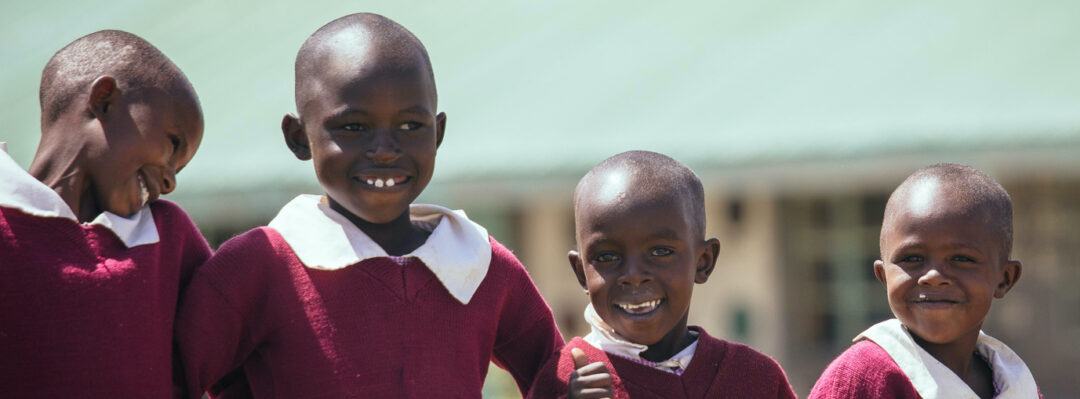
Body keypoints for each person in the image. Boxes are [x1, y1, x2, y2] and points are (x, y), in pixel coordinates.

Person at [175, 13, 563, 398]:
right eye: (353, 127)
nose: (384, 150)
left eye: (411, 126)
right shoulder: (259, 265)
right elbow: (170, 379)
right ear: (298, 136)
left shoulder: (476, 261)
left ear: (438, 132)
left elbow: (559, 376)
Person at [0, 30, 209, 397]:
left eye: (181, 167)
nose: (171, 180)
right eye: (173, 143)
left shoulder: (169, 239)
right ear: (104, 101)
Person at [527, 151, 797, 399]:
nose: (633, 276)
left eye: (660, 252)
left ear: (703, 262)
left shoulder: (753, 378)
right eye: (607, 257)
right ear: (581, 272)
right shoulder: (564, 379)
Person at [808, 163, 1041, 398]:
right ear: (883, 276)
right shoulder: (861, 377)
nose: (933, 277)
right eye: (912, 258)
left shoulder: (1014, 381)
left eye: (961, 259)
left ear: (1005, 279)